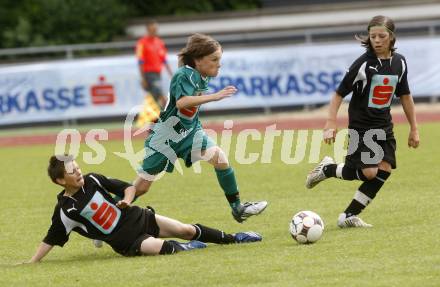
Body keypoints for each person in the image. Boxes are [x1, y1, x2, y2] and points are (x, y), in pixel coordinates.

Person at [23, 156, 262, 263]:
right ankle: (186, 248)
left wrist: (127, 200)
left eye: (77, 167)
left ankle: (234, 239)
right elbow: (52, 237)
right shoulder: (66, 210)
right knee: (163, 249)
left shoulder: (93, 179)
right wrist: (34, 261)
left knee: (186, 229)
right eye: (72, 172)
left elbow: (128, 187)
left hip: (140, 217)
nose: (78, 172)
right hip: (128, 241)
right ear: (60, 181)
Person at [133, 33, 268, 223]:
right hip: (167, 137)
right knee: (142, 187)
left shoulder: (201, 74)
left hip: (190, 132)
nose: (218, 64)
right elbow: (182, 103)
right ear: (197, 60)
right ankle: (109, 212)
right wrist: (215, 96)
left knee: (220, 159)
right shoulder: (183, 74)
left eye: (219, 59)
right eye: (214, 59)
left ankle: (237, 208)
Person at [305, 15, 420, 228]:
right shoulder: (363, 64)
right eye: (372, 36)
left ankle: (348, 216)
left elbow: (405, 95)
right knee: (369, 172)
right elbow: (339, 93)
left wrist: (414, 128)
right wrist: (331, 121)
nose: (376, 40)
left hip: (384, 124)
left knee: (384, 169)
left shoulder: (399, 62)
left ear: (391, 37)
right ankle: (328, 169)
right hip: (362, 125)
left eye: (381, 36)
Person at [135, 20, 173, 124]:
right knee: (162, 98)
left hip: (157, 74)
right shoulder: (142, 43)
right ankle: (163, 121)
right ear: (148, 30)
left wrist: (171, 74)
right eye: (153, 30)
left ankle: (154, 123)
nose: (155, 31)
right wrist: (143, 79)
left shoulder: (159, 42)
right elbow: (140, 61)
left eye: (156, 30)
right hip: (149, 75)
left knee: (154, 99)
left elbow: (164, 60)